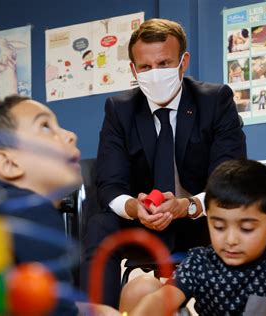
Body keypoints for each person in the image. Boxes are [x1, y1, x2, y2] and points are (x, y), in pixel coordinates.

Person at [81, 18, 247, 307]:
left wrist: (189, 206)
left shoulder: (216, 100)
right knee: (99, 226)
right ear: (133, 69)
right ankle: (98, 313)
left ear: (183, 63)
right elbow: (109, 183)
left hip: (201, 221)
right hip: (142, 225)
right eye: (145, 67)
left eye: (164, 64)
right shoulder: (119, 110)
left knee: (247, 213)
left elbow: (230, 178)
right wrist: (135, 207)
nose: (154, 73)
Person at [0, 96, 118, 316]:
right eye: (45, 127)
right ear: (9, 163)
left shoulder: (0, 212)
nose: (70, 135)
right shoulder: (33, 214)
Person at [119, 159, 266, 315]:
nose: (231, 239)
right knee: (142, 287)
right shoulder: (200, 262)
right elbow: (161, 300)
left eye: (246, 229)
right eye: (219, 227)